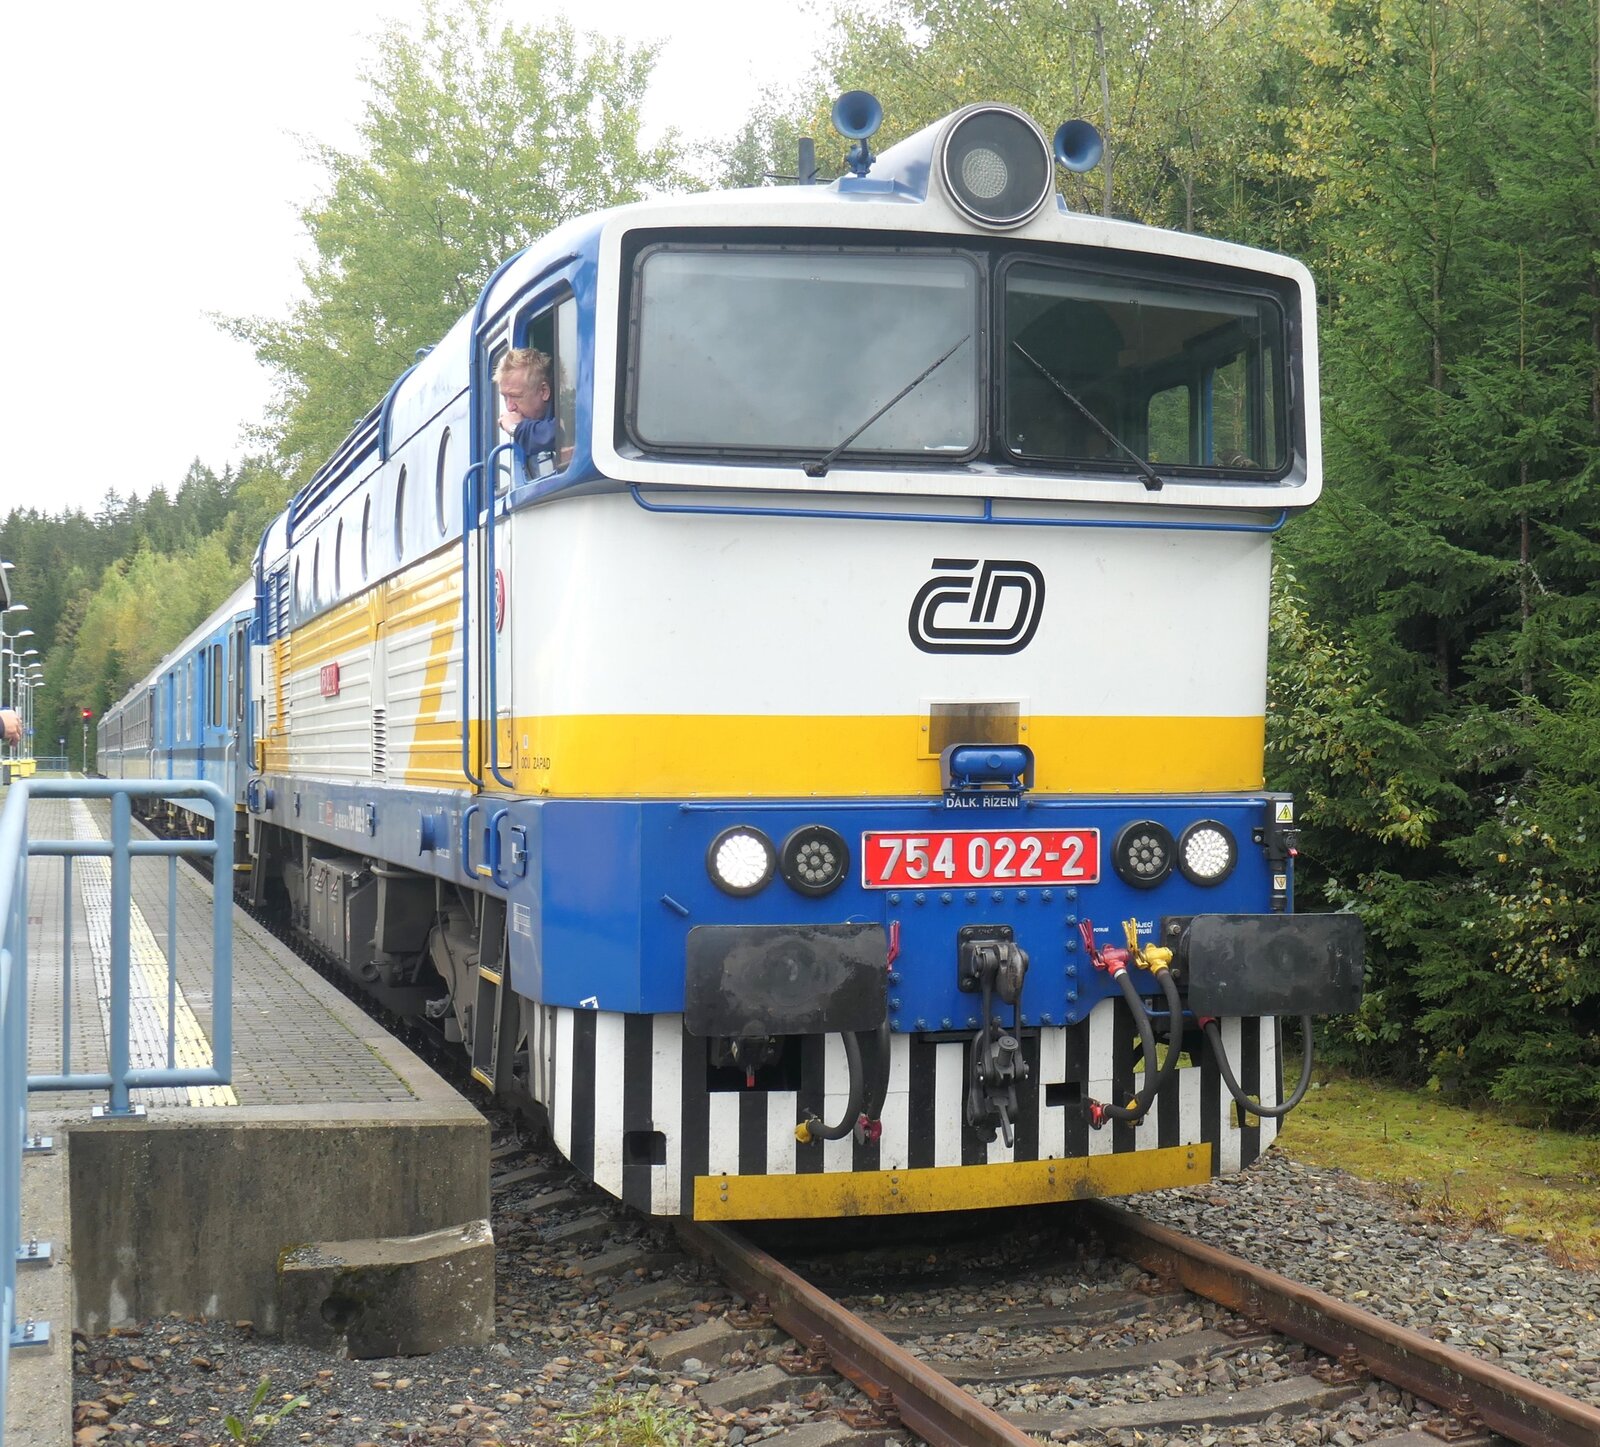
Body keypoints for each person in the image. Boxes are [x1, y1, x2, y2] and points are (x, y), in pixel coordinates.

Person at [496, 347, 559, 478]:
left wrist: (517, 429)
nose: (509, 407)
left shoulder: (567, 408)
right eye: (505, 397)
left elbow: (563, 433)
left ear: (544, 391)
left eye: (516, 396)